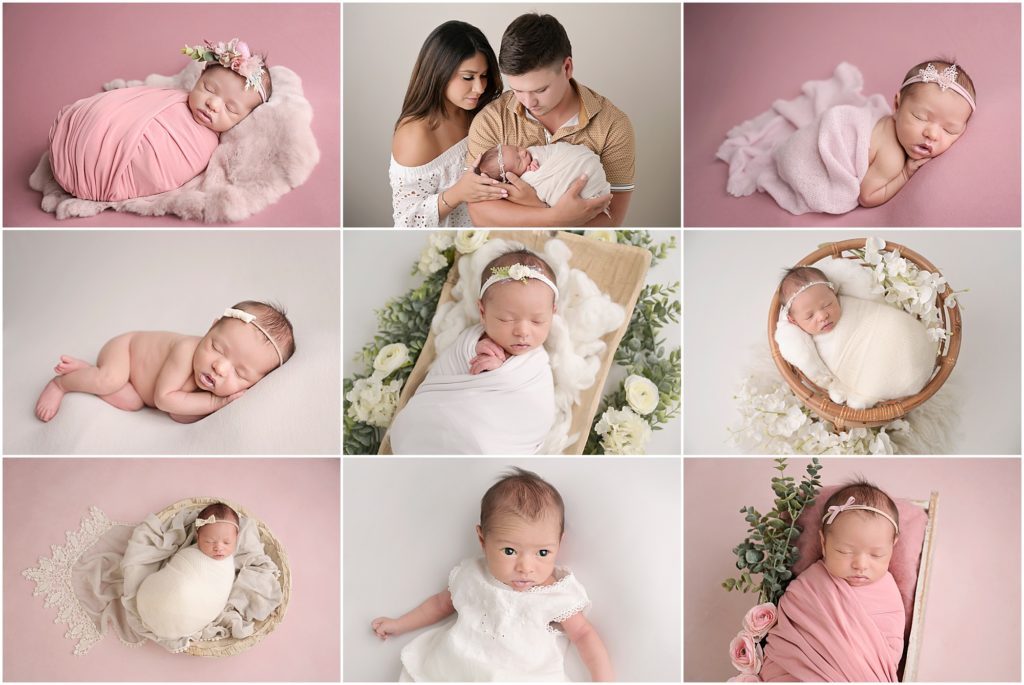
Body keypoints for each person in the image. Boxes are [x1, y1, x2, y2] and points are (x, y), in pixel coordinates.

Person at [371, 468, 614, 681]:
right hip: (460, 664)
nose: (525, 567)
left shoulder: (554, 594)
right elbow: (439, 604)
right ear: (482, 540)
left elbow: (583, 634)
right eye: (510, 551)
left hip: (522, 676)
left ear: (559, 544)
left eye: (542, 552)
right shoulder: (472, 574)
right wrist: (399, 624)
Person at [48, 38, 271, 202]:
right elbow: (132, 104)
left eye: (230, 108)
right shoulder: (171, 95)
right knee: (104, 113)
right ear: (199, 79)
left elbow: (160, 169)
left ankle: (101, 169)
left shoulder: (204, 145)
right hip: (84, 138)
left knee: (141, 157)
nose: (213, 104)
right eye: (208, 88)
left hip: (104, 174)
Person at [466, 13, 635, 227]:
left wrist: (530, 207)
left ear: (567, 68)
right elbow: (480, 213)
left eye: (540, 89)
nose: (529, 101)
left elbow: (611, 219)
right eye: (517, 90)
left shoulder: (613, 126)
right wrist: (553, 215)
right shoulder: (490, 121)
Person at [388, 249, 557, 454]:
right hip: (440, 418)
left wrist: (499, 371)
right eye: (506, 319)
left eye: (537, 321)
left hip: (493, 437)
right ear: (483, 312)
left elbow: (537, 409)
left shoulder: (535, 365)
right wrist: (472, 349)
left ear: (553, 313)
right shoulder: (469, 341)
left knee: (478, 443)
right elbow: (450, 367)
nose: (522, 331)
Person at [34, 300, 295, 423]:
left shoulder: (209, 379)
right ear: (212, 327)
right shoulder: (186, 351)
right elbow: (164, 400)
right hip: (126, 351)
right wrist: (218, 401)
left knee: (132, 402)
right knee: (110, 379)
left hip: (138, 388)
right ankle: (62, 384)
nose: (220, 367)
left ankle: (88, 372)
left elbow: (177, 414)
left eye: (240, 373)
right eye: (216, 347)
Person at [759, 481, 904, 681]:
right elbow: (788, 632)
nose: (860, 564)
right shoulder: (811, 585)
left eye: (876, 554)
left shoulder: (887, 593)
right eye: (844, 551)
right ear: (824, 543)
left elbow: (891, 649)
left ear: (893, 545)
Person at [390, 21, 507, 227]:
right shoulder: (416, 135)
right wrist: (457, 193)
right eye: (468, 77)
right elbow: (406, 223)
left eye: (484, 76)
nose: (479, 88)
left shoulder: (483, 113)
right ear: (439, 73)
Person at [777, 265, 936, 409]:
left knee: (900, 328)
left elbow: (879, 312)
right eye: (809, 316)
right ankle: (870, 391)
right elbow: (822, 372)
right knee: (871, 372)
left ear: (834, 292)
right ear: (793, 321)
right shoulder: (809, 344)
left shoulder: (851, 302)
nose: (823, 315)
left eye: (827, 304)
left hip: (898, 336)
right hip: (872, 364)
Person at [859, 61, 976, 208]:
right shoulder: (892, 158)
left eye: (949, 130)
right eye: (920, 117)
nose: (932, 134)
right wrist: (905, 174)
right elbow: (867, 197)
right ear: (897, 106)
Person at [135, 503, 239, 640]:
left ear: (236, 539)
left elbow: (218, 592)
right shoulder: (191, 553)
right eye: (209, 541)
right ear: (198, 536)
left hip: (190, 612)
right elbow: (175, 570)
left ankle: (177, 619)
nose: (219, 548)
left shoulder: (226, 567)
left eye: (227, 542)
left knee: (184, 596)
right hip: (165, 595)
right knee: (173, 589)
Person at [477, 142, 611, 214]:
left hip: (580, 160)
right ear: (511, 178)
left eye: (517, 149)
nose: (523, 152)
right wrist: (531, 175)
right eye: (519, 160)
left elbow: (547, 152)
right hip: (566, 184)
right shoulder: (524, 181)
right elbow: (539, 187)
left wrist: (535, 161)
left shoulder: (532, 153)